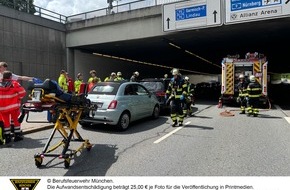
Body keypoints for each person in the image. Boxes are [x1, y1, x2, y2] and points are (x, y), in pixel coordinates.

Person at [0, 71, 26, 144]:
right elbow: (22, 92)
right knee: (15, 120)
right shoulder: (14, 83)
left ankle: (7, 137)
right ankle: (17, 136)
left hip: (2, 107)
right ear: (10, 77)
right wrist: (18, 98)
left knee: (6, 122)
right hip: (13, 106)